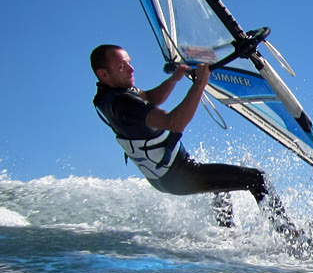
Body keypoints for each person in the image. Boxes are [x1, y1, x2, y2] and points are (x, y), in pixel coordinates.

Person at [90, 44, 293, 232]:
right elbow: (174, 123)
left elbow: (150, 98)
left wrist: (175, 78)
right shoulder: (123, 105)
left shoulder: (112, 93)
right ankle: (289, 236)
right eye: (121, 66)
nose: (131, 69)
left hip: (165, 176)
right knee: (257, 179)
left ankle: (227, 235)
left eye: (129, 62)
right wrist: (200, 84)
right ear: (103, 74)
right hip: (178, 176)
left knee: (220, 187)